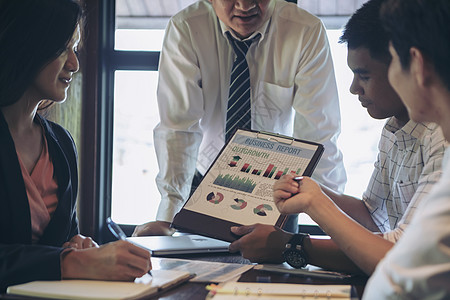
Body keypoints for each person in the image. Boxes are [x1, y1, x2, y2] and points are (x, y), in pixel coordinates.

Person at [234, 0, 447, 275]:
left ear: (416, 64)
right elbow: (375, 218)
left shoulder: (441, 141)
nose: (353, 88)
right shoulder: (396, 128)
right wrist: (311, 191)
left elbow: (402, 259)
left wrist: (297, 237)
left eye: (364, 75)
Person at [133, 0, 347, 236]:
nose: (245, 6)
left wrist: (333, 226)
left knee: (270, 270)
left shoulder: (305, 31)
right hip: (201, 183)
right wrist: (169, 218)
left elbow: (319, 132)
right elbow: (179, 128)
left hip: (277, 190)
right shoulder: (186, 28)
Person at [0, 0, 151, 292]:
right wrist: (70, 262)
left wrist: (79, 247)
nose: (75, 63)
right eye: (63, 49)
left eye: (76, 48)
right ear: (27, 45)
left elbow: (65, 241)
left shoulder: (61, 143)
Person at [363, 0, 450, 297]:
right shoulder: (394, 129)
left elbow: (396, 277)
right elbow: (373, 212)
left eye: (392, 61)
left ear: (417, 65)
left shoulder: (441, 147)